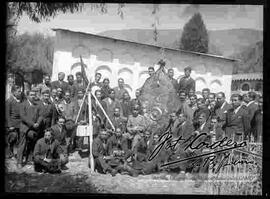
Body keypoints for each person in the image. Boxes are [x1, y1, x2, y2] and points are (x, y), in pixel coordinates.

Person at [17, 89, 42, 168]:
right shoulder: (23, 104)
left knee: (32, 143)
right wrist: (32, 124)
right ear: (27, 96)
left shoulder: (37, 105)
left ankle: (29, 159)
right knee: (22, 145)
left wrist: (38, 123)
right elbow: (23, 117)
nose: (33, 96)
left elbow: (41, 115)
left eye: (34, 95)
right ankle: (19, 162)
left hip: (34, 128)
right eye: (31, 95)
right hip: (25, 128)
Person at [5, 85, 22, 158]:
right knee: (12, 139)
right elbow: (7, 114)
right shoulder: (9, 101)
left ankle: (17, 154)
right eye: (18, 91)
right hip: (13, 124)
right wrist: (10, 125)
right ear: (13, 92)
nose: (20, 93)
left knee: (19, 140)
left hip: (20, 124)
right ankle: (9, 153)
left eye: (20, 91)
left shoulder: (20, 100)